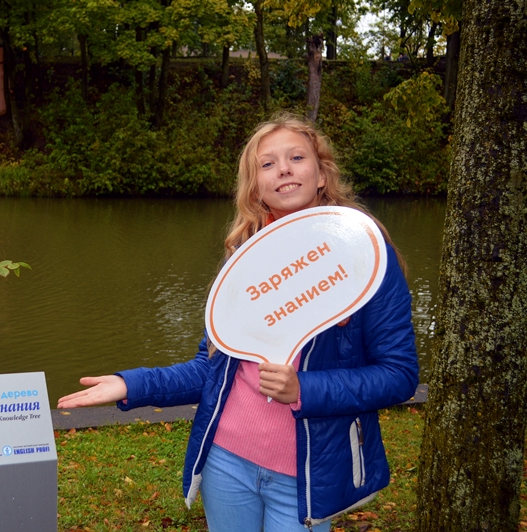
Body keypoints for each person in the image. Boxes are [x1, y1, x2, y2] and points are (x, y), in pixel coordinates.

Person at [57, 113, 419, 531]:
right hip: (226, 463)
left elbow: (399, 375)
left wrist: (305, 388)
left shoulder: (366, 256)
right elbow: (210, 369)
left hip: (304, 476)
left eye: (296, 157)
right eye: (267, 164)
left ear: (322, 175)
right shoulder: (245, 261)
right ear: (256, 187)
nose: (283, 169)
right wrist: (131, 384)